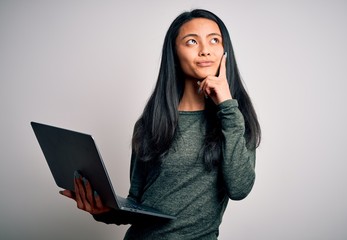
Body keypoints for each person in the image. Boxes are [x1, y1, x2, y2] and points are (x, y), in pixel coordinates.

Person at [60, 8, 261, 240]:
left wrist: (226, 105)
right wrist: (104, 211)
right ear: (174, 53)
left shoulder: (234, 119)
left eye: (214, 40)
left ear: (225, 51)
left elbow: (239, 189)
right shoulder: (151, 122)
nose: (205, 50)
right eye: (192, 41)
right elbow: (137, 203)